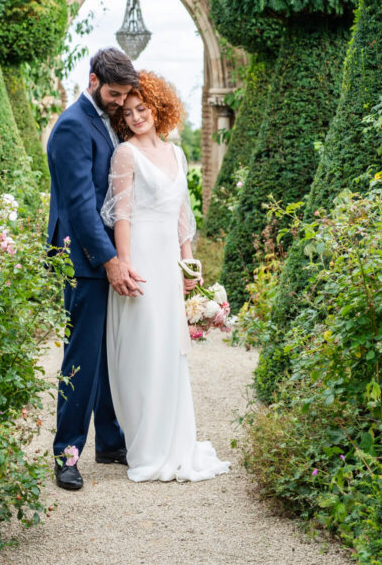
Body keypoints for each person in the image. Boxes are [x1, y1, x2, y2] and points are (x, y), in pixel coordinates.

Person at [102, 70, 230, 483]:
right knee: (142, 350)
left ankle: (175, 443)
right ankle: (146, 446)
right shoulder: (125, 154)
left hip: (169, 265)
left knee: (170, 353)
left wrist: (189, 269)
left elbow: (181, 218)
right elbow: (121, 216)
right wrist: (122, 265)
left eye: (143, 107)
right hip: (139, 260)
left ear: (158, 107)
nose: (137, 116)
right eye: (129, 111)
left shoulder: (176, 155)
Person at [47, 48, 145, 491]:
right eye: (114, 92)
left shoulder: (103, 120)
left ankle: (108, 441)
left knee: (105, 354)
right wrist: (109, 261)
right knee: (82, 359)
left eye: (126, 94)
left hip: (100, 255)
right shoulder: (71, 125)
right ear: (92, 80)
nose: (121, 102)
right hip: (81, 260)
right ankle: (66, 454)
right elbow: (81, 205)